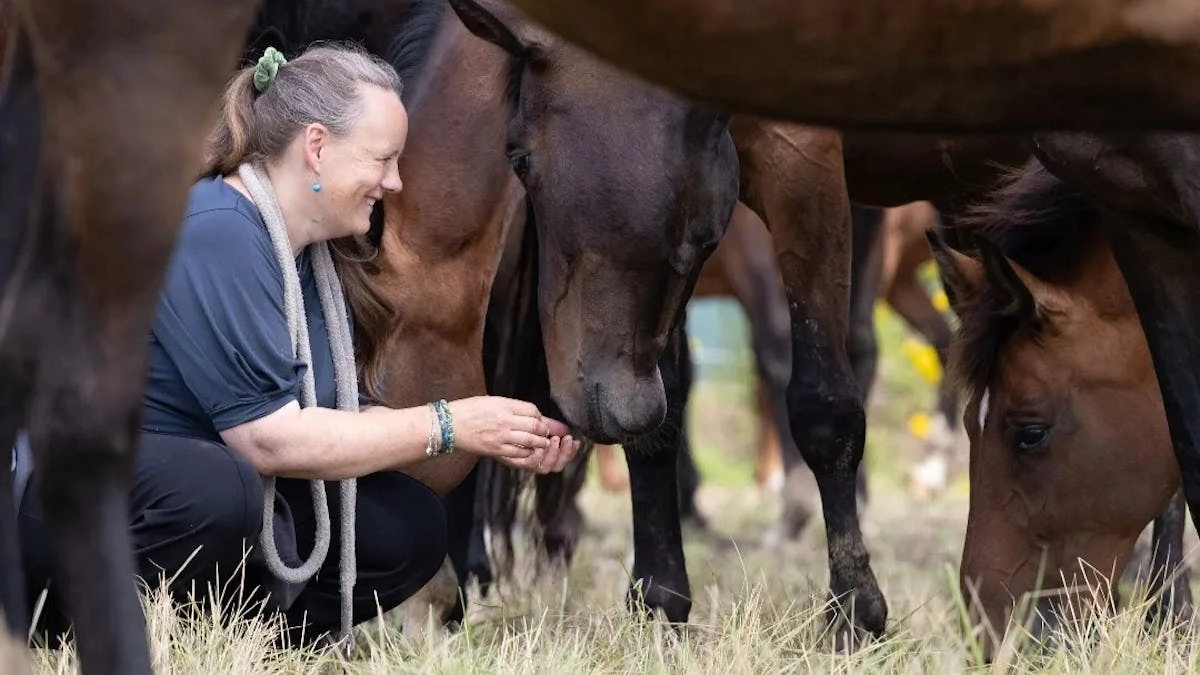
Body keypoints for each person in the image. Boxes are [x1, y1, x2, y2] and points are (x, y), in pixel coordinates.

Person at [15, 43, 580, 646]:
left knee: (406, 526)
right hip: (68, 501)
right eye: (384, 159)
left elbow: (337, 418)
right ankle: (67, 622)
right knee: (222, 488)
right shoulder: (217, 228)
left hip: (201, 488)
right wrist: (447, 424)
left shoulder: (314, 255)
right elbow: (268, 439)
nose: (394, 182)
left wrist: (496, 432)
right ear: (316, 146)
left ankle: (246, 638)